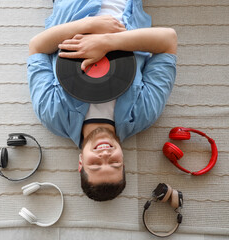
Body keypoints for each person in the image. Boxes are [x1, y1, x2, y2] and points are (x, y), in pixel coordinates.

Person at [27, 0, 177, 201]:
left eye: (96, 165)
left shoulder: (52, 113)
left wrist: (88, 26)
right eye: (114, 164)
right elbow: (168, 40)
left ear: (81, 163)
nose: (105, 156)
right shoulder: (144, 113)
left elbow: (36, 47)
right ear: (123, 162)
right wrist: (108, 42)